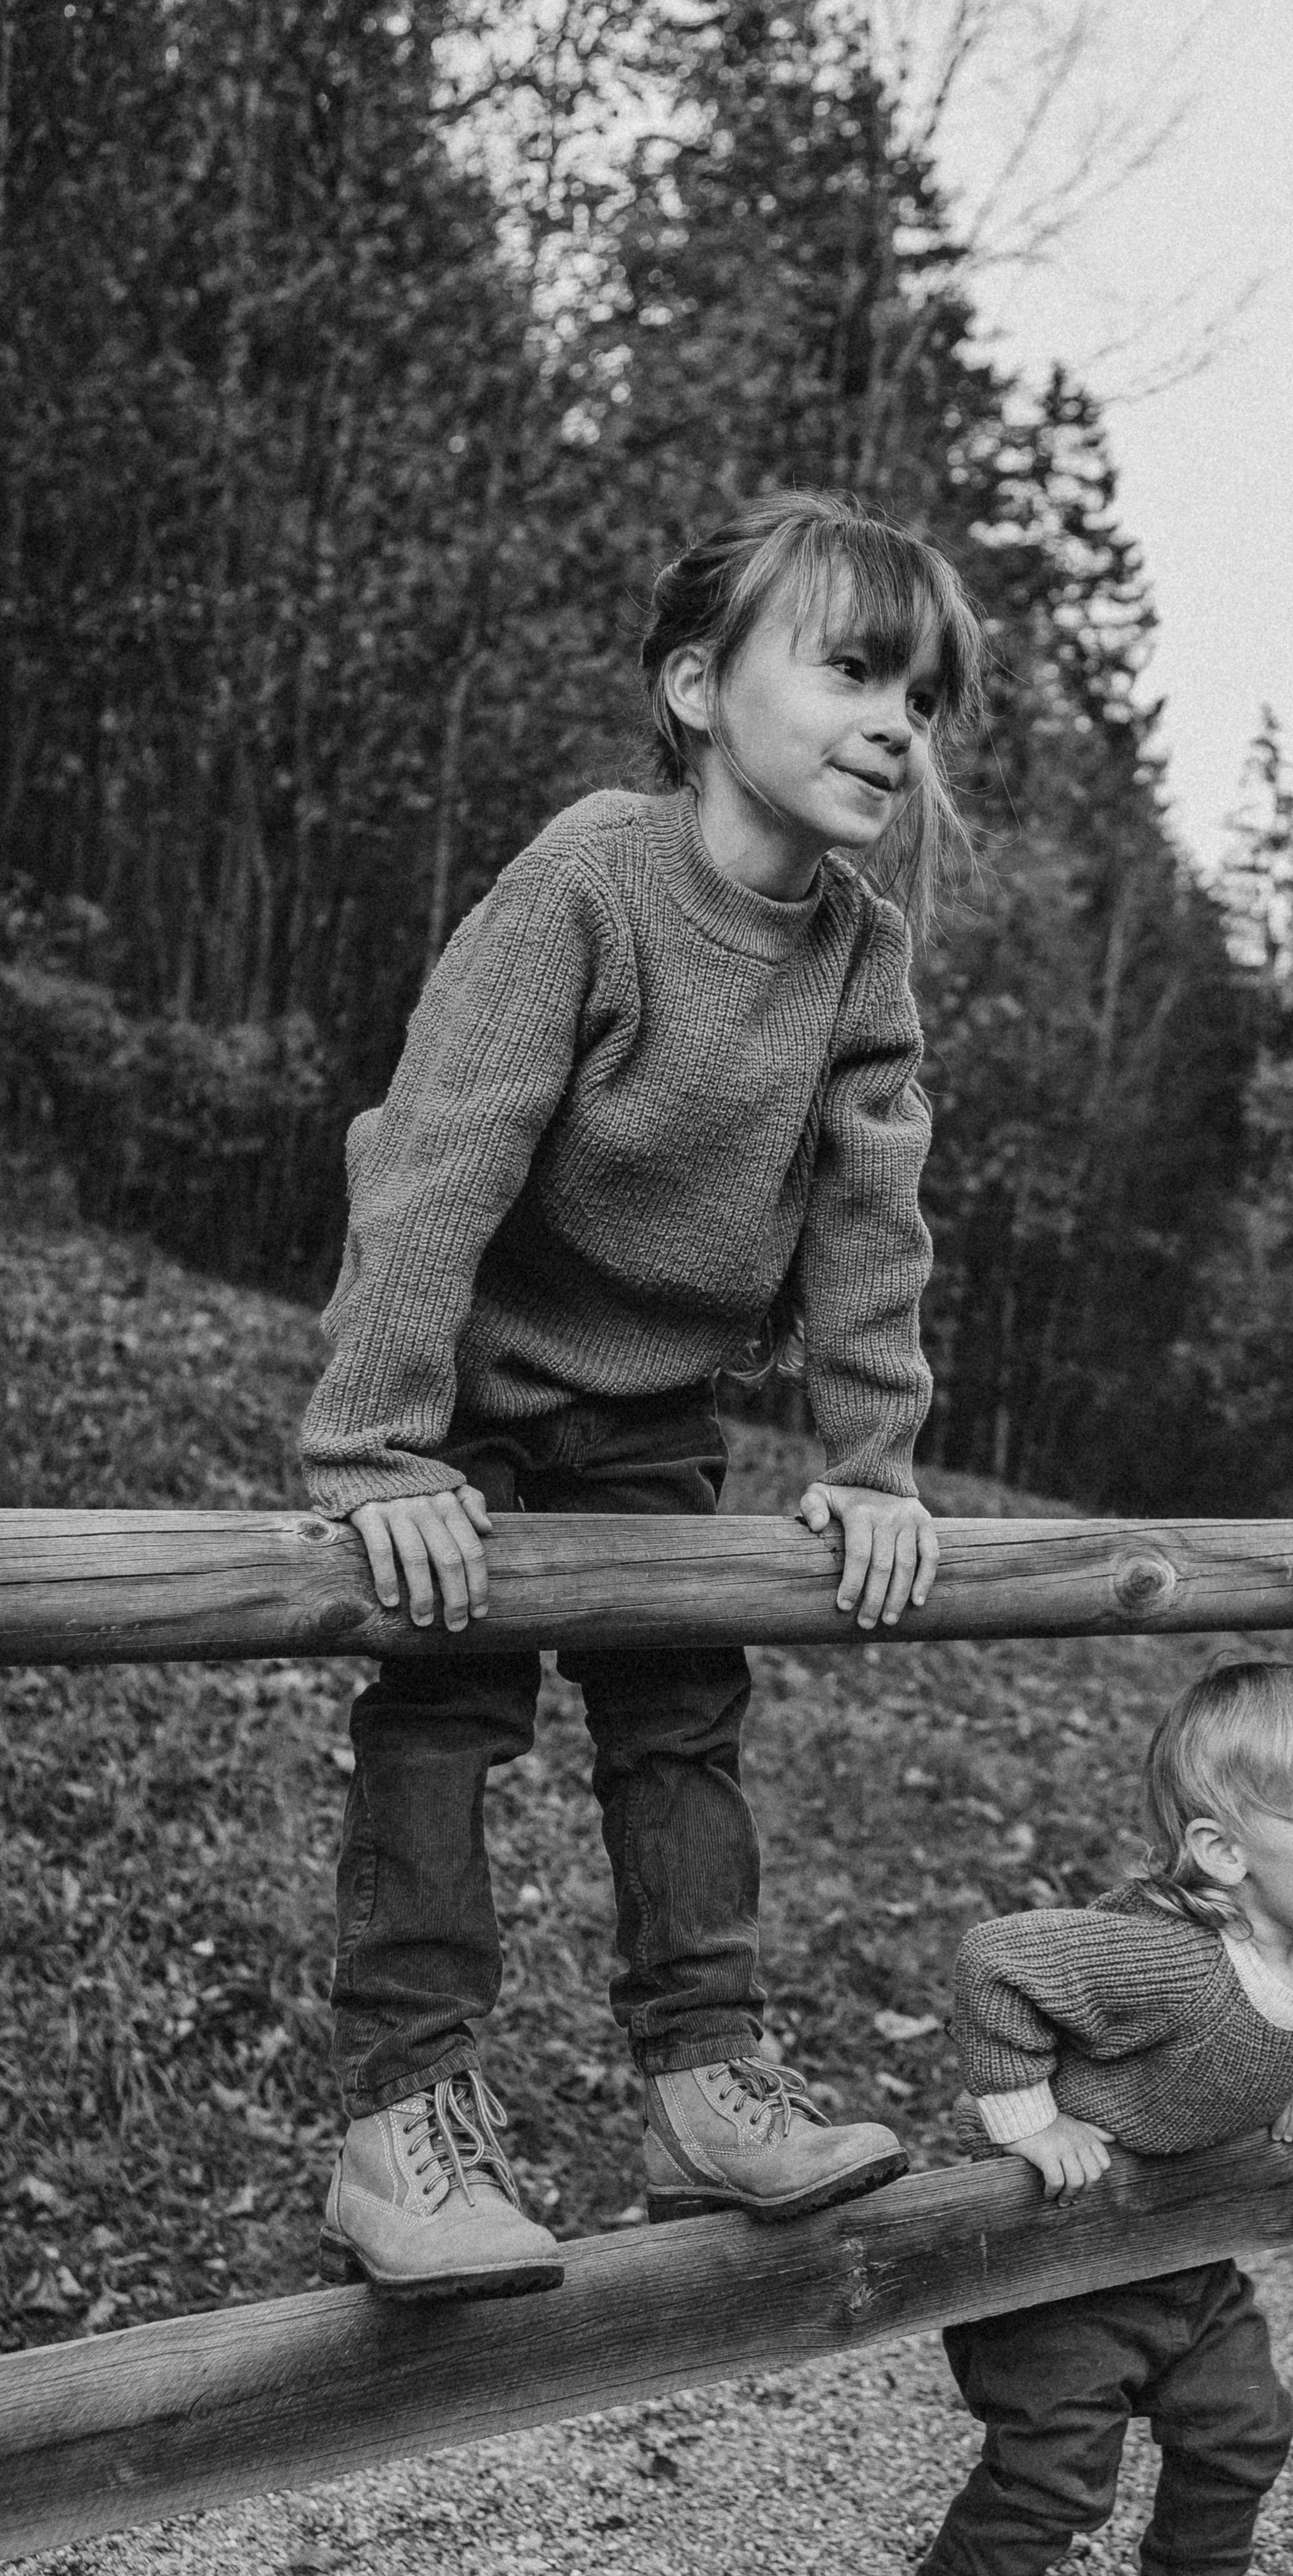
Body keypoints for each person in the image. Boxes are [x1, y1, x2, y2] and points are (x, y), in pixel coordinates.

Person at [299, 490, 986, 2303]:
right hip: (466, 1397)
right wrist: (379, 1447)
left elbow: (868, 1220)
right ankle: (402, 2123)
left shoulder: (859, 956)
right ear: (696, 686)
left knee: (681, 1720)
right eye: (850, 671)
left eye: (919, 701)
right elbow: (439, 1155)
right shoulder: (588, 880)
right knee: (443, 1719)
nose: (893, 728)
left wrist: (871, 1463)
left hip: (653, 1417)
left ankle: (702, 2080)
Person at [853, 1658, 1293, 2576]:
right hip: (1058, 2264)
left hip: (1177, 2252)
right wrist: (1027, 2122)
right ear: (1220, 1854)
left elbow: (1271, 2037)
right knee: (1055, 2476)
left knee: (1244, 2421)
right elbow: (995, 1959)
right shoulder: (1170, 1959)